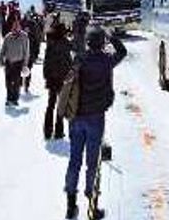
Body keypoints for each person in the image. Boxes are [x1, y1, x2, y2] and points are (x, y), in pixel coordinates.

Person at [64, 27, 127, 219]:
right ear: (102, 43)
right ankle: (92, 205)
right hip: (96, 117)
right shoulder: (107, 61)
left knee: (74, 160)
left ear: (88, 43)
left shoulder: (79, 60)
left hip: (76, 117)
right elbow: (122, 52)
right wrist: (112, 36)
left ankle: (70, 205)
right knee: (93, 163)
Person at [42, 19, 74, 140]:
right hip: (62, 79)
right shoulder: (66, 43)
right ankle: (59, 132)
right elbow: (69, 61)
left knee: (50, 105)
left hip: (52, 78)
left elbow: (46, 62)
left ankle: (47, 131)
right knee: (61, 105)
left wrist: (46, 76)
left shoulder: (51, 43)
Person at [0, 18, 30, 106]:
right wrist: (0, 59)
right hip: (8, 63)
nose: (15, 29)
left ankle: (15, 98)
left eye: (17, 27)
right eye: (14, 27)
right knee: (8, 82)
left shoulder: (24, 37)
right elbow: (3, 50)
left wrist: (25, 65)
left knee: (16, 82)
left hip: (18, 63)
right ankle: (9, 98)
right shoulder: (8, 37)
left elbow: (26, 52)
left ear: (20, 27)